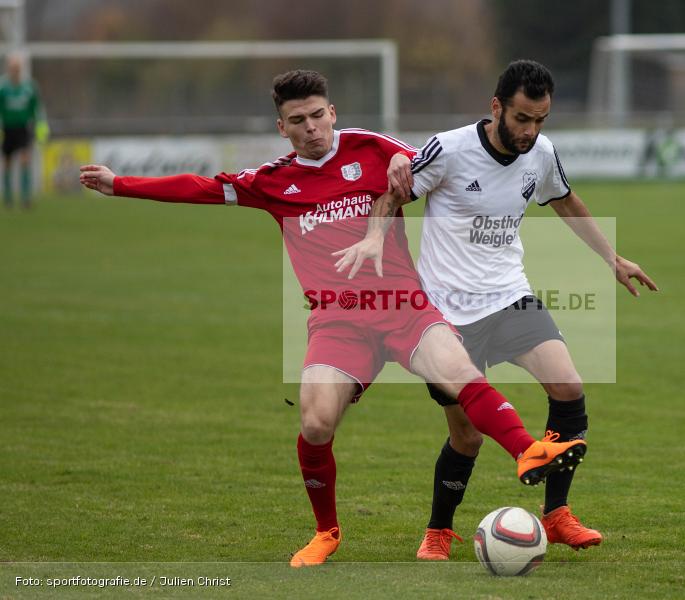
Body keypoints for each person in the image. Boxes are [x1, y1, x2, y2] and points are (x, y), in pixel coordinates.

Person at [79, 69, 588, 568]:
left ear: (333, 113)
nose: (311, 127)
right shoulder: (273, 182)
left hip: (404, 307)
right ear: (283, 128)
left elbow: (427, 164)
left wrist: (401, 169)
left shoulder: (371, 147)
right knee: (316, 422)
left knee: (460, 373)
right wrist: (119, 184)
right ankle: (326, 532)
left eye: (318, 116)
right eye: (297, 120)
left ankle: (527, 451)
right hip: (338, 322)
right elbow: (200, 188)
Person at [335, 59, 657, 560]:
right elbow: (391, 194)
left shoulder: (541, 153)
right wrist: (377, 237)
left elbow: (566, 201)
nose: (531, 130)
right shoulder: (451, 149)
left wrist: (612, 258)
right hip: (445, 316)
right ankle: (438, 531)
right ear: (496, 107)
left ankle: (557, 514)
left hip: (509, 297)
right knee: (466, 438)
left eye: (541, 120)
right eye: (523, 118)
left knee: (568, 387)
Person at [0, 52, 48, 209]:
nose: (15, 71)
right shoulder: (3, 88)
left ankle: (26, 197)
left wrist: (41, 126)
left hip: (23, 129)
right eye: (13, 68)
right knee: (6, 163)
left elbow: (37, 109)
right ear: (8, 69)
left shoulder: (30, 87)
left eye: (18, 68)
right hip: (7, 128)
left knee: (25, 160)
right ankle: (7, 197)